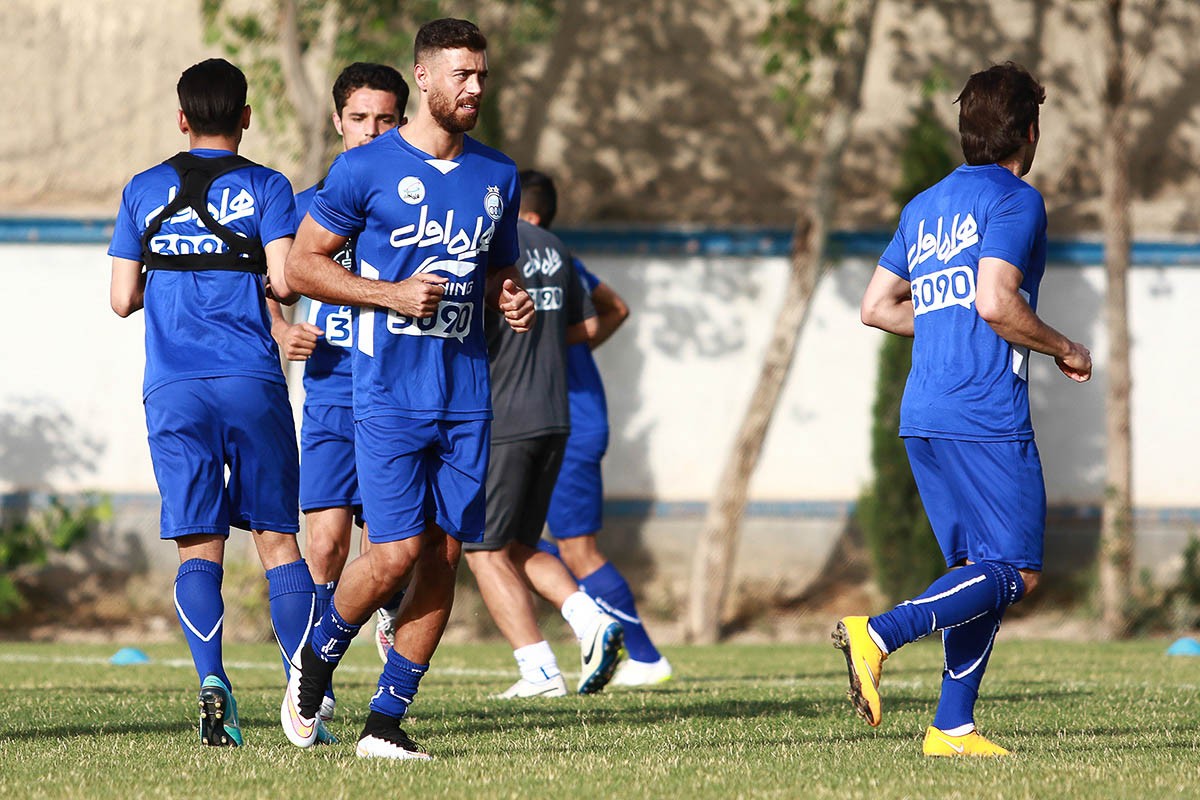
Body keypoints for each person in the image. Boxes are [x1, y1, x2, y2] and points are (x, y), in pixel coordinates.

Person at [279, 18, 535, 760]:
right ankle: (316, 659)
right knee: (393, 555)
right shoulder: (364, 169)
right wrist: (388, 295)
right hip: (388, 391)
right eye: (462, 75)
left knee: (444, 554)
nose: (476, 88)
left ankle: (385, 723)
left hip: (467, 395)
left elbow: (495, 272)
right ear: (423, 78)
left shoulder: (498, 174)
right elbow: (301, 266)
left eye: (482, 74)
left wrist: (508, 298)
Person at [835, 61, 1092, 757]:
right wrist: (1064, 345)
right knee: (1018, 571)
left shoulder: (924, 206)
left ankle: (953, 727)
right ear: (1030, 132)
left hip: (924, 412)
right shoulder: (1016, 199)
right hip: (983, 411)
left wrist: (950, 316)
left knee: (980, 571)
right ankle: (879, 634)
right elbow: (996, 302)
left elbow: (876, 307)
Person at [108, 58, 317, 748]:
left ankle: (211, 682)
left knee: (200, 543)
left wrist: (165, 278)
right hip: (251, 382)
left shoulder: (142, 189)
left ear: (181, 118)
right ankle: (302, 694)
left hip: (173, 387)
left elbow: (120, 300)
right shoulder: (268, 186)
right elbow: (286, 283)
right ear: (246, 117)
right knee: (277, 540)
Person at [268, 63, 410, 712]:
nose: (371, 131)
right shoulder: (304, 208)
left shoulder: (415, 202)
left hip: (403, 397)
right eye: (359, 119)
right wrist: (279, 331)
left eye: (385, 119)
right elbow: (269, 289)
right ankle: (311, 680)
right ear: (337, 123)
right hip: (329, 394)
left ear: (402, 123)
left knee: (391, 552)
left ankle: (382, 615)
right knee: (323, 541)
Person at [463, 170, 625, 699]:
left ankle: (539, 669)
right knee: (517, 546)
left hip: (507, 416)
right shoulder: (556, 249)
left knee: (483, 550)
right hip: (556, 415)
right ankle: (590, 620)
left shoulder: (483, 244)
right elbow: (594, 319)